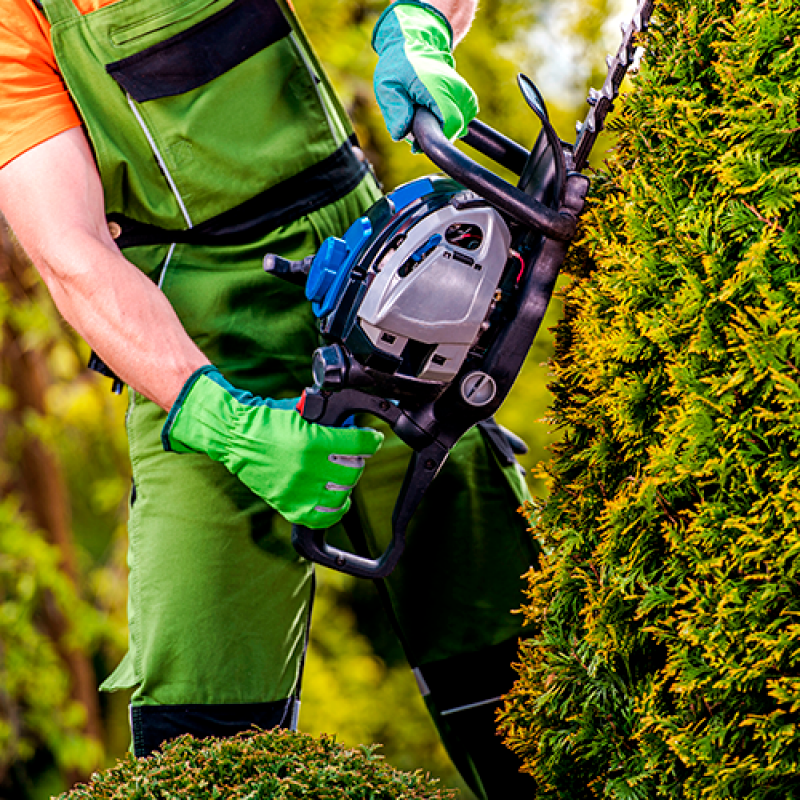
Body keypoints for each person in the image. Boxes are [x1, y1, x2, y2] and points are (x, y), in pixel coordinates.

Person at [0, 0, 539, 795]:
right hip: (192, 345)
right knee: (201, 746)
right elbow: (70, 250)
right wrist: (217, 419)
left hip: (380, 288)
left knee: (521, 662)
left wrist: (420, 20)